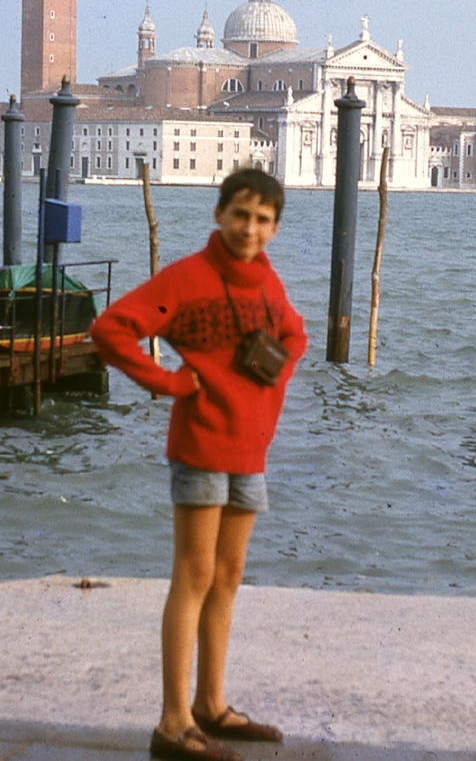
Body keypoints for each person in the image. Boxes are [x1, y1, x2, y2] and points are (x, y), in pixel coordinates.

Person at [90, 169, 307, 761]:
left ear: (275, 228)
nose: (249, 228)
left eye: (262, 219)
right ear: (219, 215)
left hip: (249, 450)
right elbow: (111, 329)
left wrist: (272, 379)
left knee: (228, 576)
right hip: (202, 445)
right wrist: (166, 382)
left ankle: (211, 705)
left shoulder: (268, 281)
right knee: (194, 574)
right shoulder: (187, 279)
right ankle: (172, 722)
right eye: (240, 214)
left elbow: (296, 335)